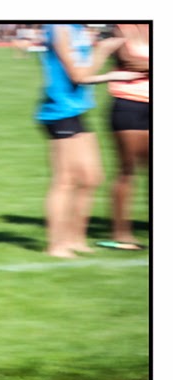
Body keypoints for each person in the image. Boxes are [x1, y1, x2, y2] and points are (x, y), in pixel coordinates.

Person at [34, 24, 144, 258]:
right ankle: (56, 245)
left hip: (77, 110)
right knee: (65, 180)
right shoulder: (59, 28)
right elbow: (78, 75)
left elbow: (82, 73)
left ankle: (75, 239)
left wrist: (107, 68)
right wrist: (104, 54)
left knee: (92, 178)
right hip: (59, 111)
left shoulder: (78, 29)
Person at [100, 23, 149, 250]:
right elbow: (130, 61)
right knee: (127, 170)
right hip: (129, 104)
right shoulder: (121, 28)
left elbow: (141, 65)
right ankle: (122, 234)